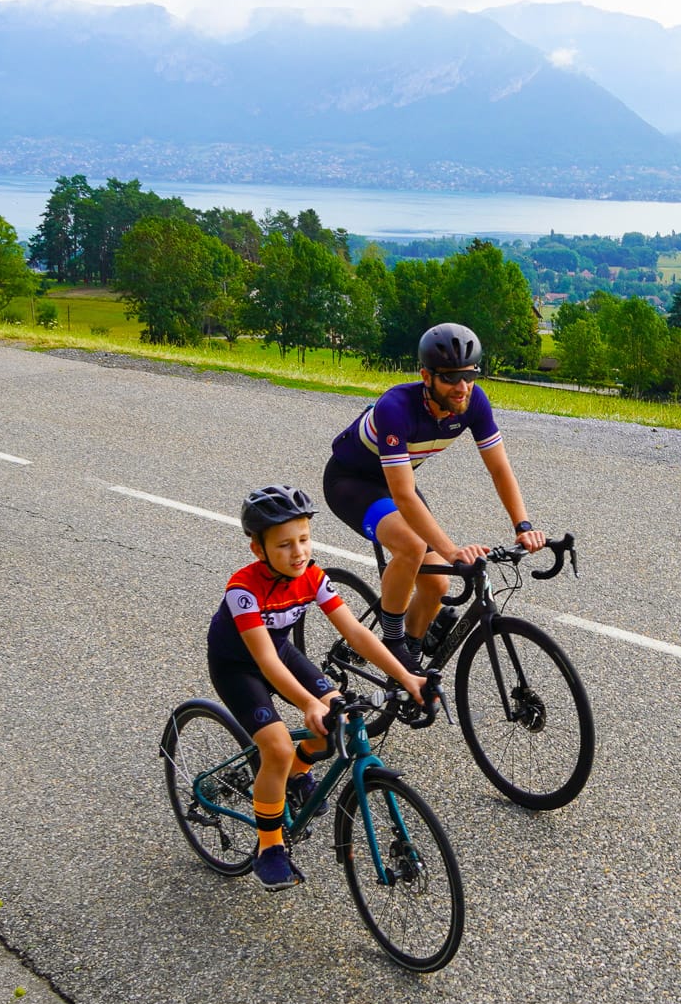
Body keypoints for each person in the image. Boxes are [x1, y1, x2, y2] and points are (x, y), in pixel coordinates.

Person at [206, 484, 429, 891]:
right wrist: (308, 702)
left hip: (279, 652)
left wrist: (406, 676)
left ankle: (295, 776)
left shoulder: (312, 576)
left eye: (305, 540)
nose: (299, 552)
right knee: (275, 747)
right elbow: (265, 662)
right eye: (285, 545)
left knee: (339, 714)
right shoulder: (243, 589)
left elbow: (357, 632)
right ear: (259, 550)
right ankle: (270, 848)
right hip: (240, 666)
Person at [322, 322, 546, 669]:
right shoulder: (396, 406)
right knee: (410, 546)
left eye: (469, 375)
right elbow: (404, 494)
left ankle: (408, 663)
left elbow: (500, 470)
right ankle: (392, 643)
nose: (462, 387)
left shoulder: (474, 402)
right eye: (451, 378)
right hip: (352, 482)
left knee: (436, 584)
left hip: (397, 483)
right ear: (427, 377)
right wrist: (453, 550)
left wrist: (523, 525)